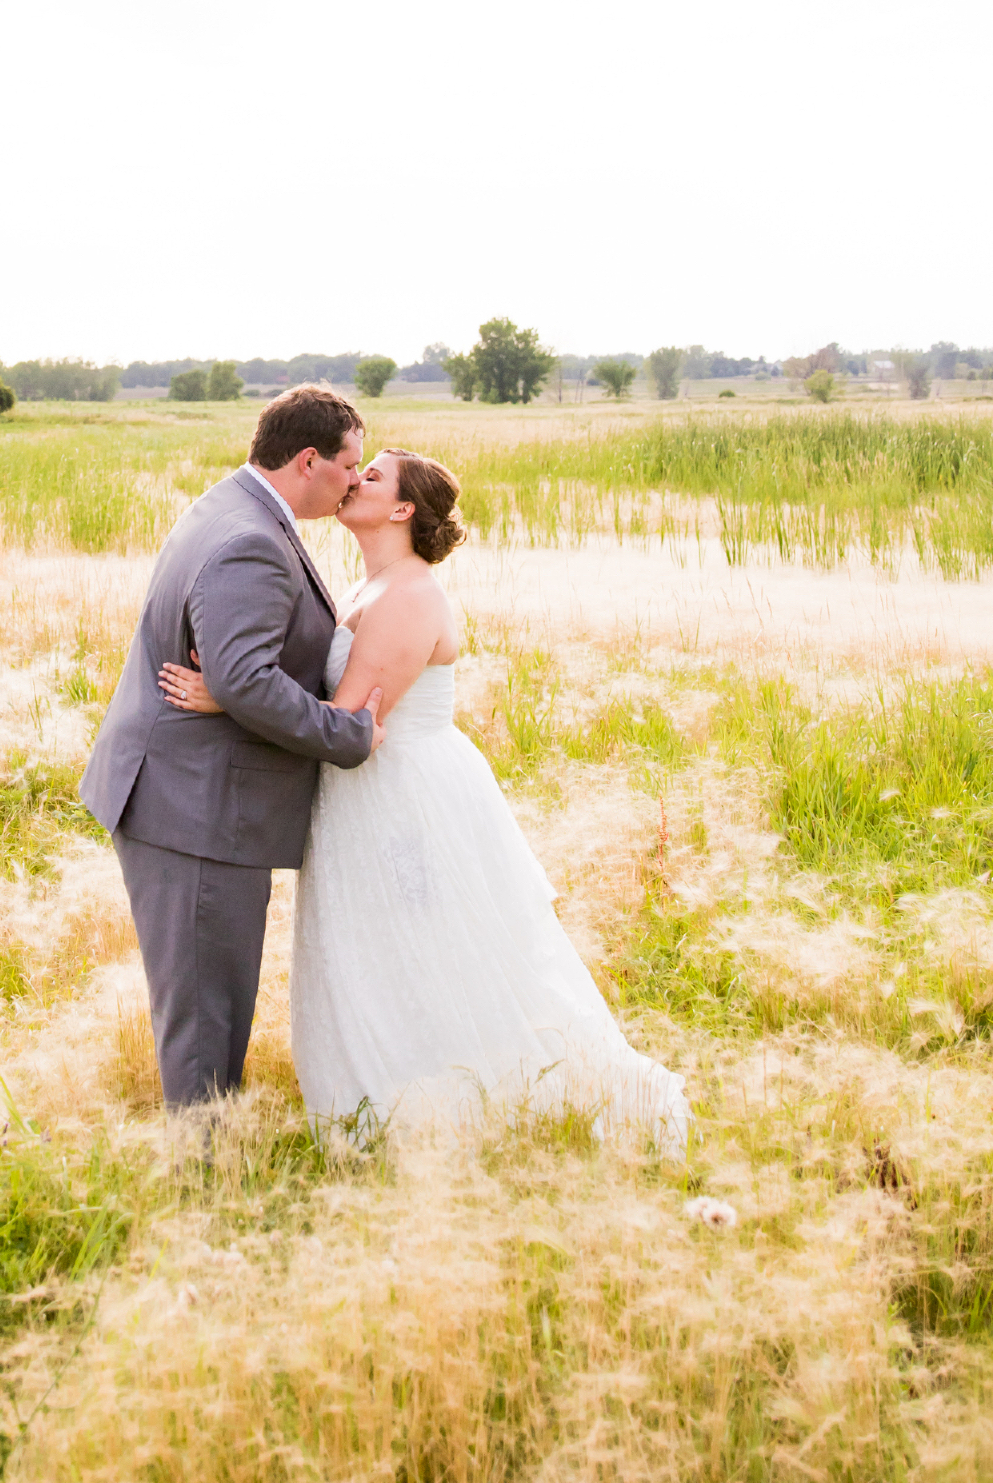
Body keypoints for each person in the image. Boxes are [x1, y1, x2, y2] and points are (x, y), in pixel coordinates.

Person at [159, 445, 688, 1150]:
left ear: (403, 509)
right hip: (359, 792)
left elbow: (347, 718)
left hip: (401, 795)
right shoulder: (362, 588)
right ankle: (391, 1091)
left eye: (370, 476)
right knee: (374, 942)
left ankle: (442, 1099)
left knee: (420, 938)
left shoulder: (410, 594)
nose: (353, 480)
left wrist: (228, 695)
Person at [79, 386, 386, 1109]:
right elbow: (245, 677)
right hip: (195, 810)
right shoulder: (249, 539)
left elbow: (233, 674)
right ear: (309, 460)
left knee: (207, 1002)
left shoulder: (230, 506)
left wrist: (233, 685)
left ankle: (209, 1160)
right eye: (350, 466)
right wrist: (347, 734)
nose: (353, 482)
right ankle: (204, 1179)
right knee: (204, 1014)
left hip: (188, 796)